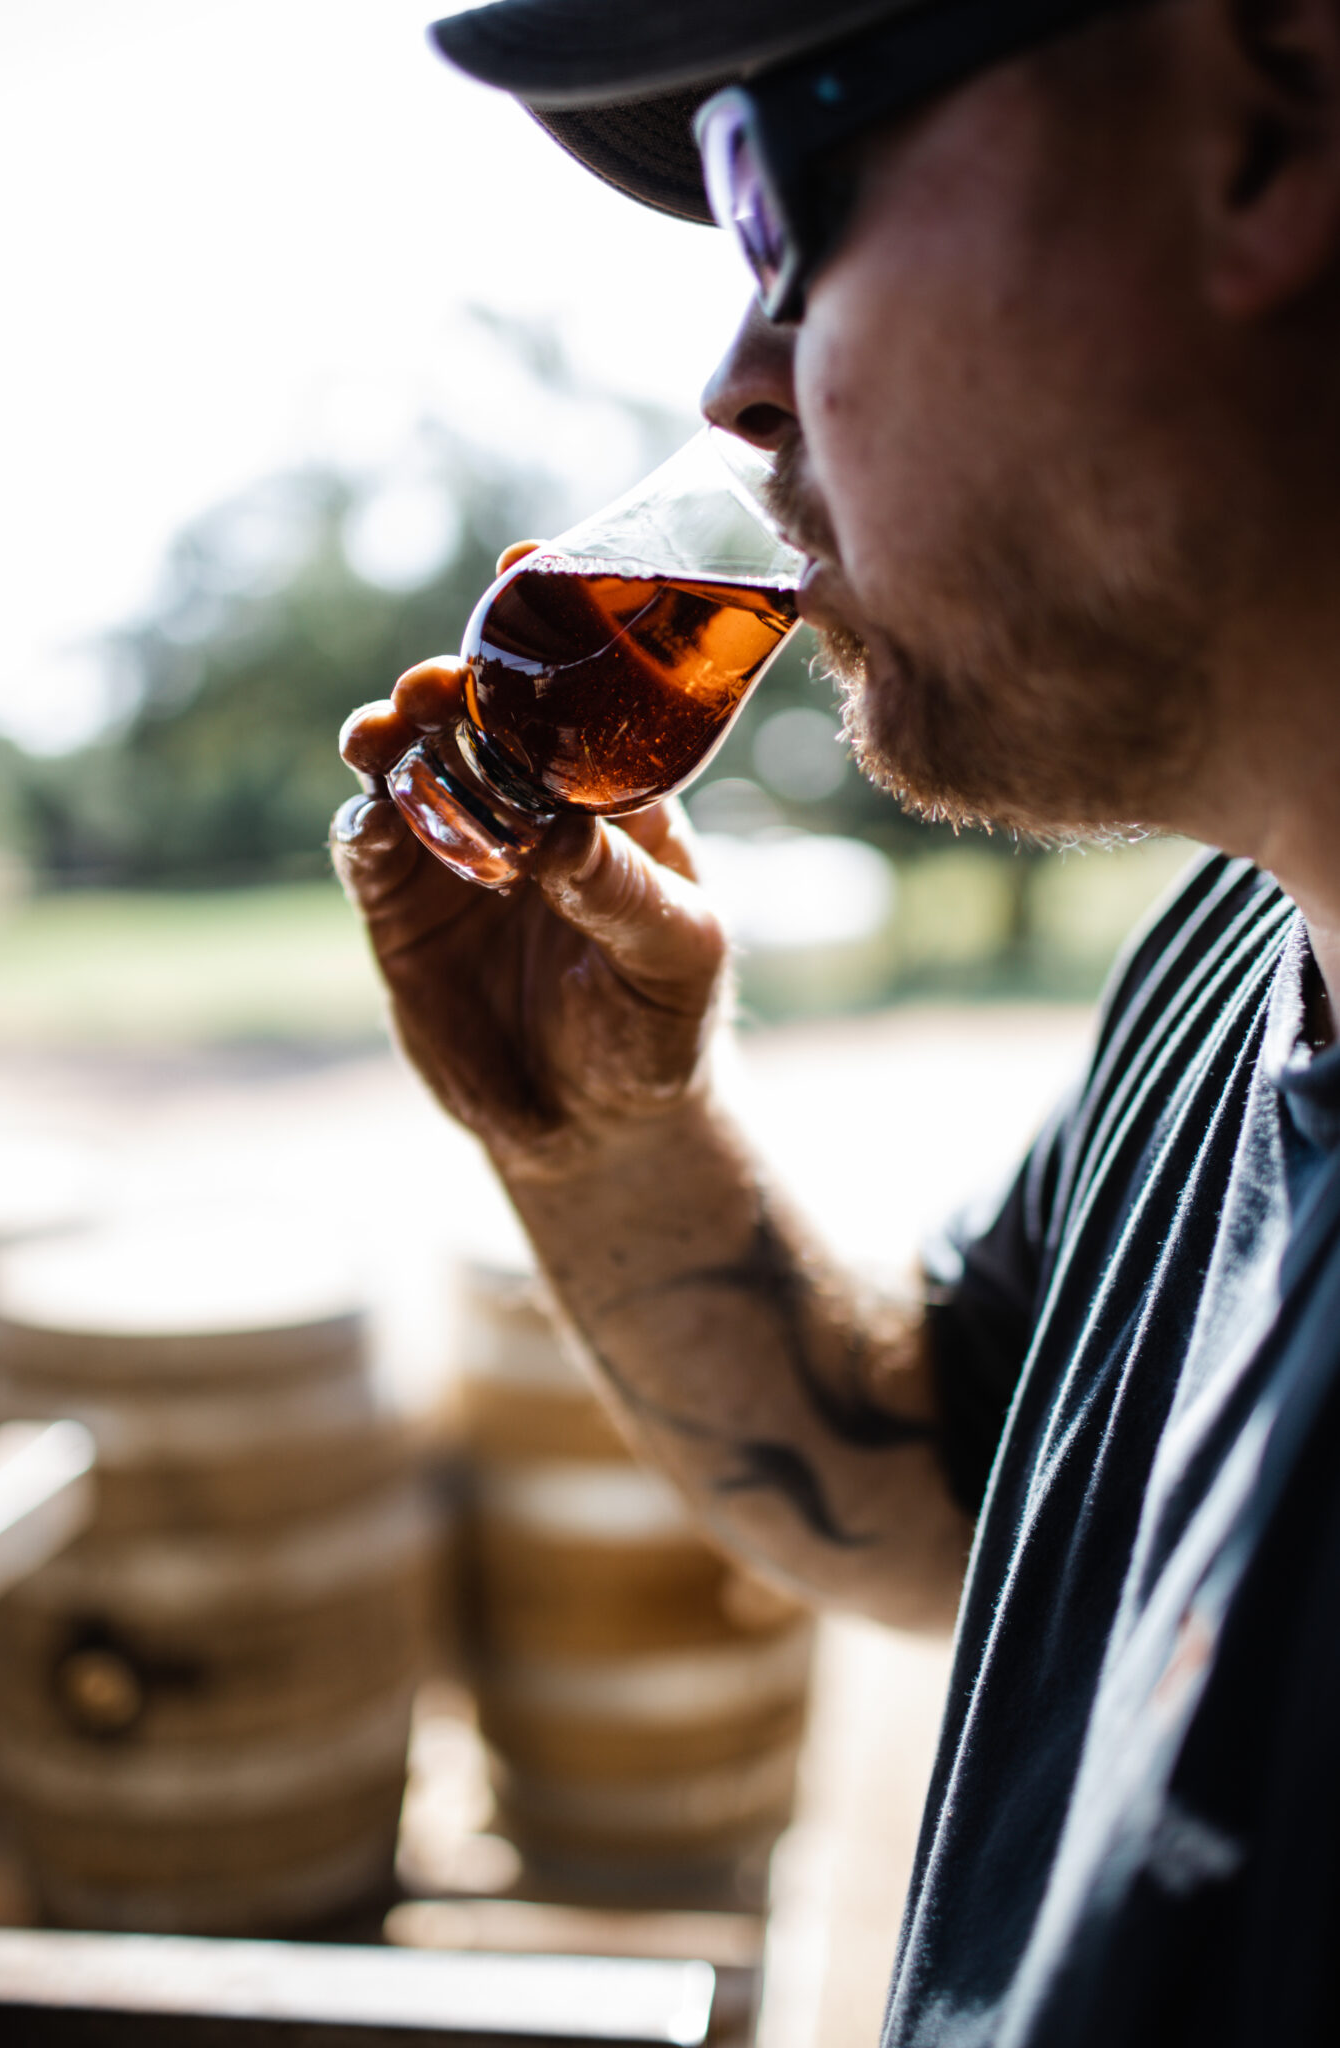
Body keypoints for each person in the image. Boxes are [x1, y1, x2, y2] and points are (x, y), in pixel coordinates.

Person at [333, 0, 1340, 2039]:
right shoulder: (1240, 948)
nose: (733, 375)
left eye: (771, 197)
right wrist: (607, 1137)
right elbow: (948, 1495)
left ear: (1270, 115)